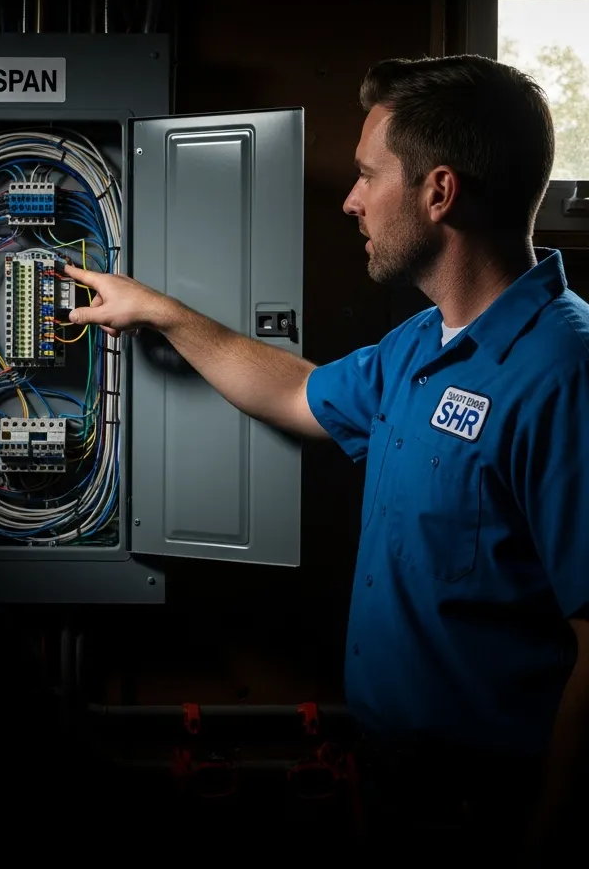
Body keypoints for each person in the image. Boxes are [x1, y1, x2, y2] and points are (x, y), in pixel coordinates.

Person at [64, 55, 587, 859]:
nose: (351, 200)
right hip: (396, 785)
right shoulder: (421, 343)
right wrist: (158, 313)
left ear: (439, 192)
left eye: (368, 176)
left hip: (494, 810)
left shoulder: (564, 372)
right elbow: (298, 394)